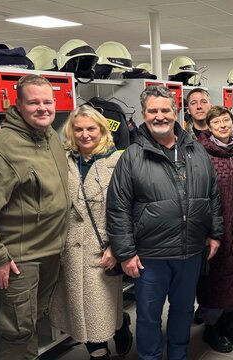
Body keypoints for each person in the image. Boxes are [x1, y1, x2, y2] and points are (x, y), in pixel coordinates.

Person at [0, 74, 71, 360]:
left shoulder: (50, 139)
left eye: (48, 101)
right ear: (17, 105)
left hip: (49, 253)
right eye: (34, 102)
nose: (43, 108)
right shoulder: (0, 149)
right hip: (21, 260)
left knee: (32, 323)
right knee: (17, 332)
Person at [106, 85, 224, 360]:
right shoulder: (132, 156)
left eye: (165, 110)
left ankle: (179, 355)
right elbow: (118, 208)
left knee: (183, 311)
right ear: (144, 115)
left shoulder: (196, 150)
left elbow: (213, 194)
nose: (160, 116)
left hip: (190, 251)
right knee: (148, 315)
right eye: (153, 111)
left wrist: (215, 234)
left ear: (175, 112)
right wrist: (126, 253)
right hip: (150, 255)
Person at [48, 105, 133, 360]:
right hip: (71, 250)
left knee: (103, 309)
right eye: (79, 129)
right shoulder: (63, 161)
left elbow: (129, 209)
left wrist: (117, 248)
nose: (85, 134)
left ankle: (119, 327)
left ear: (102, 130)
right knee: (81, 314)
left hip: (104, 249)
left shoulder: (118, 161)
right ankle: (98, 351)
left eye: (91, 129)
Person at [196, 106, 233, 353]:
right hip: (215, 229)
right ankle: (212, 329)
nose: (222, 125)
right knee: (215, 280)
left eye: (226, 120)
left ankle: (228, 323)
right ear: (208, 127)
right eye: (216, 122)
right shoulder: (201, 154)